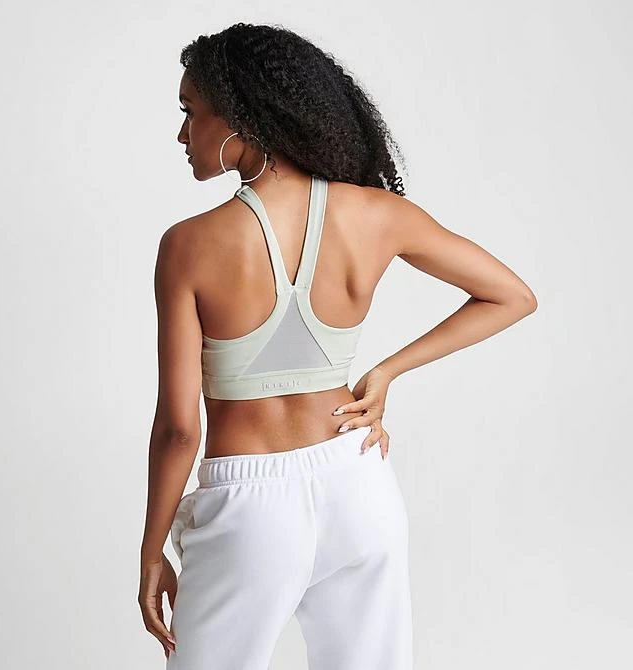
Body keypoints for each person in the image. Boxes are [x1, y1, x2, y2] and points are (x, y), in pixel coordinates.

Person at [138, 22, 537, 670]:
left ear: (240, 116)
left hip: (249, 509)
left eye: (191, 112)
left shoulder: (188, 245)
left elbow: (180, 430)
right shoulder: (376, 215)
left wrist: (153, 550)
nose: (183, 134)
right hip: (359, 487)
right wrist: (387, 371)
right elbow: (512, 295)